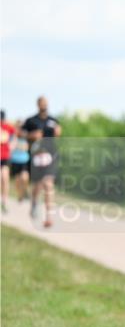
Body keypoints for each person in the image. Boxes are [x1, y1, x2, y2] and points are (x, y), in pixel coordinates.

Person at [23, 96, 61, 228]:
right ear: (38, 105)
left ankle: (49, 216)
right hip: (36, 156)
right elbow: (21, 133)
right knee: (38, 185)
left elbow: (58, 133)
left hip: (50, 156)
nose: (44, 105)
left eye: (46, 102)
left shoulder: (53, 121)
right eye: (42, 103)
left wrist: (57, 132)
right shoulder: (30, 121)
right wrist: (31, 135)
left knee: (48, 184)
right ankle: (34, 203)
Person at [9, 120, 30, 204]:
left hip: (24, 161)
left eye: (22, 128)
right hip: (14, 161)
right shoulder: (12, 137)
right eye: (19, 127)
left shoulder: (26, 137)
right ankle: (20, 195)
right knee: (17, 181)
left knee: (25, 177)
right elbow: (10, 147)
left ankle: (24, 190)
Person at [0, 111, 17, 213]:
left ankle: (4, 201)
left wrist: (12, 145)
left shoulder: (8, 127)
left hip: (5, 156)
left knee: (5, 178)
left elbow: (14, 136)